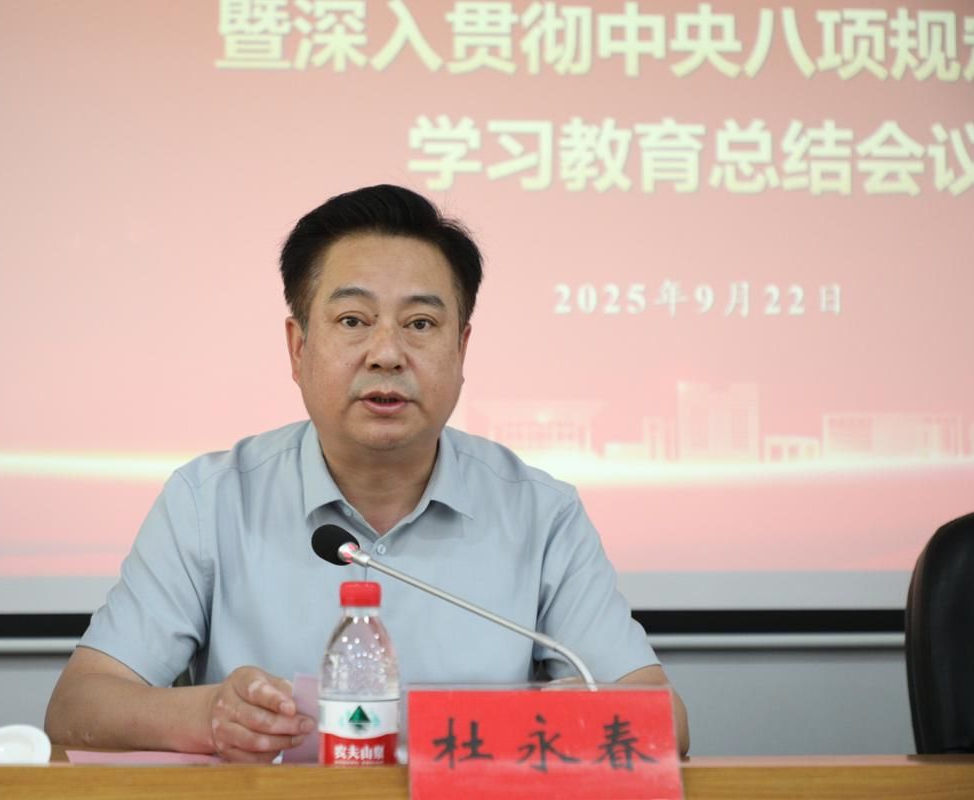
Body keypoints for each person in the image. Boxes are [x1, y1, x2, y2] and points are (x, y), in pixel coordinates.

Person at [44, 185, 690, 760]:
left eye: (420, 324)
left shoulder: (541, 514)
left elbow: (667, 723)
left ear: (462, 349)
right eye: (353, 321)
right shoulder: (210, 501)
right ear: (298, 347)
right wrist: (208, 716)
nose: (386, 354)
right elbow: (78, 709)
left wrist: (561, 717)